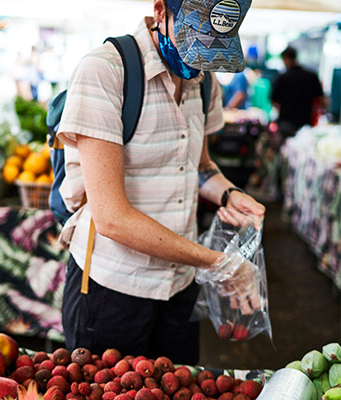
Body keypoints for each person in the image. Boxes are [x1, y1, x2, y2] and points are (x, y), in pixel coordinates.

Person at [57, 0, 265, 365]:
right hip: (113, 287)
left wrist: (228, 194)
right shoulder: (105, 70)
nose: (197, 62)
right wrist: (218, 263)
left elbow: (198, 166)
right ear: (160, 11)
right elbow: (111, 218)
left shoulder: (204, 80)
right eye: (193, 41)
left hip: (181, 285)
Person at [271, 46, 326, 137]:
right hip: (306, 123)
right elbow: (322, 100)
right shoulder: (311, 76)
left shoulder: (282, 78)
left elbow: (273, 101)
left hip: (286, 123)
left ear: (285, 59)